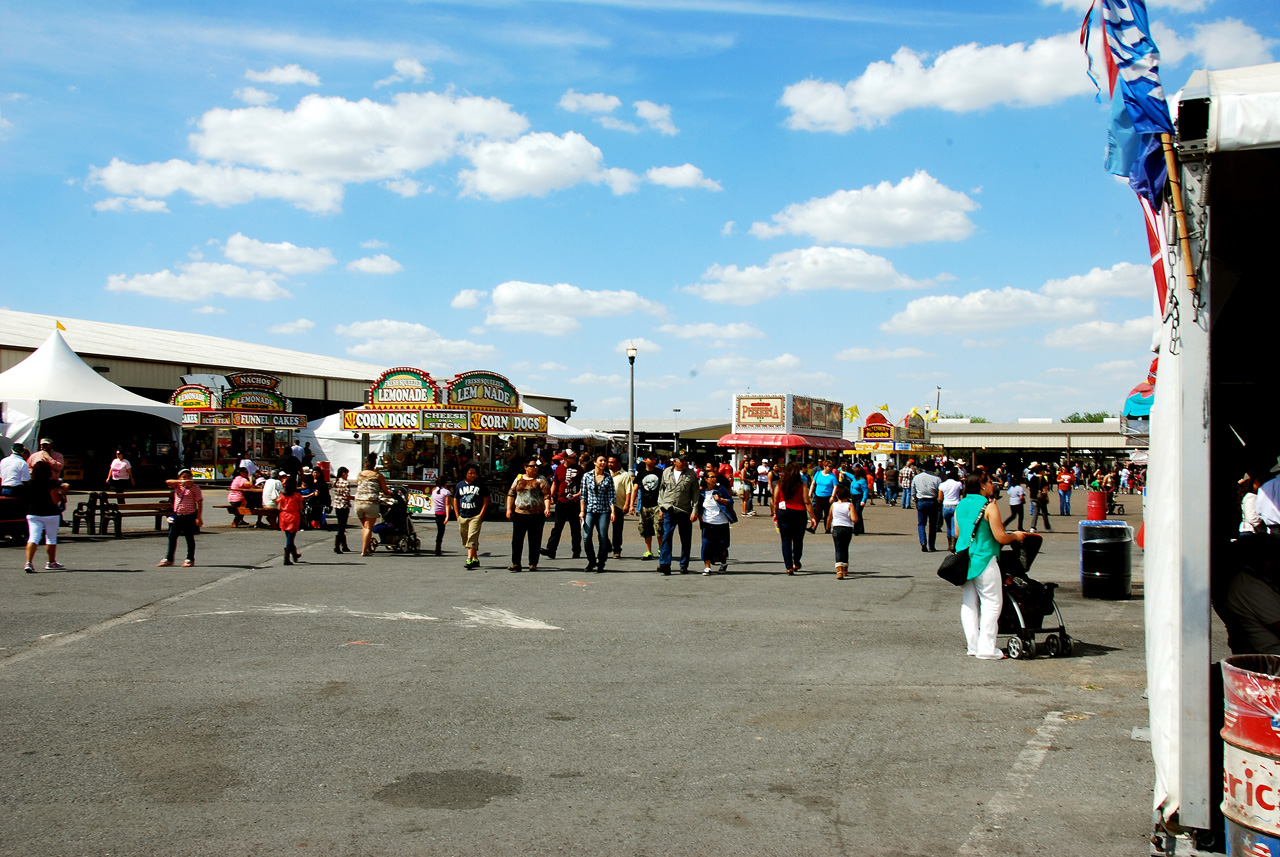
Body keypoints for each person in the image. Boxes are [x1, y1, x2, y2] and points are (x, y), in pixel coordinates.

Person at [955, 471, 1027, 659]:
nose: (993, 484)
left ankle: (973, 646)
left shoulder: (961, 505)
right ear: (982, 485)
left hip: (964, 560)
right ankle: (987, 648)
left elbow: (957, 532)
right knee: (992, 603)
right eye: (990, 482)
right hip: (984, 558)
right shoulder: (989, 507)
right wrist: (1016, 536)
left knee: (969, 603)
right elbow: (1001, 536)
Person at [656, 454, 699, 575]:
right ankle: (665, 563)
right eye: (682, 460)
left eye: (686, 460)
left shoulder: (691, 474)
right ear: (675, 461)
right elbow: (661, 490)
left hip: (684, 510)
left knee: (685, 539)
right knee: (666, 536)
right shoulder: (666, 472)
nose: (685, 462)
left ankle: (684, 564)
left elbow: (695, 494)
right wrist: (661, 507)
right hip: (668, 508)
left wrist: (694, 511)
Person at [23, 459, 68, 572]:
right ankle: (51, 562)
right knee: (51, 538)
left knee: (33, 537)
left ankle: (29, 562)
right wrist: (63, 492)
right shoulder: (51, 484)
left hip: (33, 512)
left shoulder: (29, 483)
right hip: (50, 513)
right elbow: (55, 500)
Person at [507, 459, 550, 572]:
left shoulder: (541, 479)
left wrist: (547, 508)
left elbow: (547, 495)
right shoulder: (519, 479)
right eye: (532, 466)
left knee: (535, 539)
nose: (535, 468)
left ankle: (533, 563)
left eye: (536, 466)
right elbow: (511, 494)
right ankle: (516, 563)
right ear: (526, 467)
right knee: (517, 539)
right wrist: (508, 509)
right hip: (520, 513)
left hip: (536, 514)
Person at [774, 463, 816, 575]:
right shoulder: (801, 485)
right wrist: (813, 516)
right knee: (798, 540)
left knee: (785, 540)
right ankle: (796, 562)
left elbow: (775, 500)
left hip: (784, 512)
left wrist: (775, 513)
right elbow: (807, 501)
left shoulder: (780, 484)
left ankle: (788, 567)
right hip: (799, 513)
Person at [157, 468, 203, 568]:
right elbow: (168, 481)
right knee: (172, 536)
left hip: (189, 515)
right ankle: (169, 558)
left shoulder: (195, 488)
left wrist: (199, 517)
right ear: (180, 478)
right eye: (184, 477)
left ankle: (190, 558)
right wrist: (181, 482)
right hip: (177, 514)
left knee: (189, 537)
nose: (187, 479)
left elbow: (199, 502)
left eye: (189, 477)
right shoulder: (178, 486)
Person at [543, 449, 583, 561]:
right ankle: (551, 549)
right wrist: (550, 496)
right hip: (561, 502)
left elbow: (583, 484)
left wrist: (578, 495)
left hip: (574, 502)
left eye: (575, 457)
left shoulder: (579, 469)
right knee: (557, 527)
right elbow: (555, 483)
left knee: (575, 528)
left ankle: (576, 550)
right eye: (572, 458)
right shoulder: (559, 469)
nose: (574, 459)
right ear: (565, 458)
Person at [580, 454, 616, 573]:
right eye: (601, 460)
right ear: (595, 462)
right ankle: (591, 561)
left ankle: (601, 562)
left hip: (604, 511)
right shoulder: (587, 476)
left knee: (603, 536)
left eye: (604, 461)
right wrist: (582, 511)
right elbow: (583, 495)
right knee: (586, 536)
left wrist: (613, 511)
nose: (603, 463)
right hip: (590, 510)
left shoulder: (607, 477)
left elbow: (611, 495)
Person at [697, 470, 733, 575]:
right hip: (708, 522)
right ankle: (707, 567)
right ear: (706, 479)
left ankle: (723, 562)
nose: (714, 479)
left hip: (721, 522)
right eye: (711, 477)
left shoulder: (720, 489)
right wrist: (699, 516)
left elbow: (730, 501)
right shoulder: (702, 492)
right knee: (706, 544)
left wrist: (721, 499)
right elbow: (697, 505)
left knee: (722, 545)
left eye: (714, 477)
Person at [453, 464, 489, 569]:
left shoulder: (480, 485)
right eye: (470, 473)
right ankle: (475, 558)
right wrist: (457, 515)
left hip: (475, 516)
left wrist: (480, 515)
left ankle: (469, 559)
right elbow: (455, 500)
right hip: (463, 515)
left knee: (472, 537)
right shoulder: (459, 485)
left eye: (474, 473)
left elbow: (486, 499)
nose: (473, 475)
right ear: (465, 474)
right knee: (465, 537)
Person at [353, 454, 388, 557]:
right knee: (368, 527)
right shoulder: (377, 475)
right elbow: (385, 490)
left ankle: (367, 547)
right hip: (370, 503)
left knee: (364, 526)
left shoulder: (360, 474)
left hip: (358, 503)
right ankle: (364, 550)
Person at [632, 454, 662, 560]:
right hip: (645, 505)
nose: (654, 461)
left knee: (659, 527)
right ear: (645, 460)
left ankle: (661, 548)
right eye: (651, 459)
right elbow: (635, 489)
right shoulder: (641, 474)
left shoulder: (660, 473)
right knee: (646, 528)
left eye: (655, 459)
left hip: (657, 504)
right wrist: (632, 505)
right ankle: (648, 551)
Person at [827, 483, 858, 579]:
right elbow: (854, 519)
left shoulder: (834, 505)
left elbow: (829, 517)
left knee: (838, 548)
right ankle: (845, 568)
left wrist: (828, 526)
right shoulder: (850, 505)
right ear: (848, 496)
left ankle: (839, 570)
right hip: (847, 528)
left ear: (837, 495)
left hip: (836, 527)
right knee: (845, 548)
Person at [912, 461, 942, 552]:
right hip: (933, 501)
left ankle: (923, 541)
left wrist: (915, 500)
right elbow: (939, 491)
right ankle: (931, 545)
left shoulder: (917, 478)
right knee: (932, 525)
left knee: (921, 523)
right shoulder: (937, 479)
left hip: (921, 501)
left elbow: (913, 490)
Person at [609, 455, 633, 560]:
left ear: (618, 463)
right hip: (605, 505)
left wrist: (627, 504)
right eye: (609, 462)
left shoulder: (625, 475)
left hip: (618, 505)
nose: (610, 464)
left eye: (612, 462)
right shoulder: (605, 474)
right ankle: (606, 545)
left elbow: (629, 491)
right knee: (601, 528)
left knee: (617, 529)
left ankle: (617, 549)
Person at [277, 474, 304, 565]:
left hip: (284, 516)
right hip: (293, 516)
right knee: (291, 538)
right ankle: (287, 557)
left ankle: (294, 554)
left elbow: (279, 507)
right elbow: (301, 507)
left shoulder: (282, 496)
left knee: (288, 536)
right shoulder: (297, 496)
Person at [809, 460, 839, 534]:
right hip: (818, 495)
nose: (830, 468)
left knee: (827, 513)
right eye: (829, 466)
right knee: (817, 513)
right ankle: (813, 528)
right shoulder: (818, 473)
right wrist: (810, 492)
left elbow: (835, 486)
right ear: (824, 466)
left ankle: (827, 528)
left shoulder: (832, 476)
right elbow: (813, 483)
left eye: (831, 466)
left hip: (828, 496)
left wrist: (832, 496)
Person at [939, 468, 964, 552]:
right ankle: (954, 544)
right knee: (954, 525)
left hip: (946, 505)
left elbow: (940, 497)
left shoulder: (942, 484)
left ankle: (949, 544)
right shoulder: (958, 484)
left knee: (948, 526)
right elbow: (961, 493)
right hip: (956, 505)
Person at [429, 478, 453, 555]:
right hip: (443, 513)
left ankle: (437, 548)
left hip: (437, 512)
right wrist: (447, 516)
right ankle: (438, 549)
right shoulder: (446, 492)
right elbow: (447, 504)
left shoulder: (434, 492)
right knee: (441, 531)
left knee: (439, 530)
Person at [331, 466, 351, 553]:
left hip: (337, 504)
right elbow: (347, 496)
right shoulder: (346, 483)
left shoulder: (335, 482)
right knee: (342, 526)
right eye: (347, 473)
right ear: (343, 473)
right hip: (344, 505)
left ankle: (344, 545)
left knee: (340, 524)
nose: (347, 475)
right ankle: (337, 545)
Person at [1027, 463, 1052, 533]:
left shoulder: (1032, 478)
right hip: (1041, 498)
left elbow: (1029, 487)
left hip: (1033, 497)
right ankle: (1047, 527)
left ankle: (1033, 527)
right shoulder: (1042, 478)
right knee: (1044, 512)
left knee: (1035, 512)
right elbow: (1045, 489)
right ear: (1040, 471)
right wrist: (1047, 497)